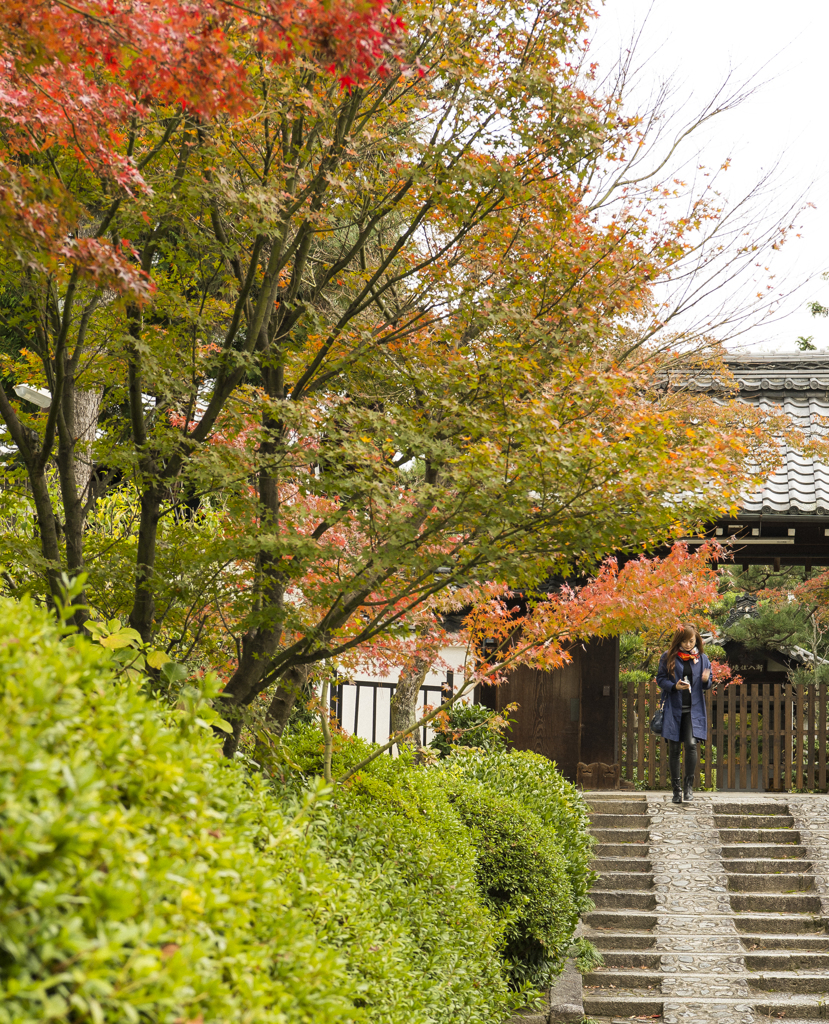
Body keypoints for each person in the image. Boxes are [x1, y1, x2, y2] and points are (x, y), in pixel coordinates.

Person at [656, 624, 713, 804]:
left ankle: (688, 788)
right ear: (678, 640)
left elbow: (709, 682)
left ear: (696, 640)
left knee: (690, 745)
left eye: (691, 641)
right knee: (674, 749)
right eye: (684, 641)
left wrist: (705, 680)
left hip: (693, 710)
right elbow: (660, 679)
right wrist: (674, 686)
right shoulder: (668, 657)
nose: (688, 644)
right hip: (674, 708)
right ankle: (676, 790)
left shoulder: (703, 659)